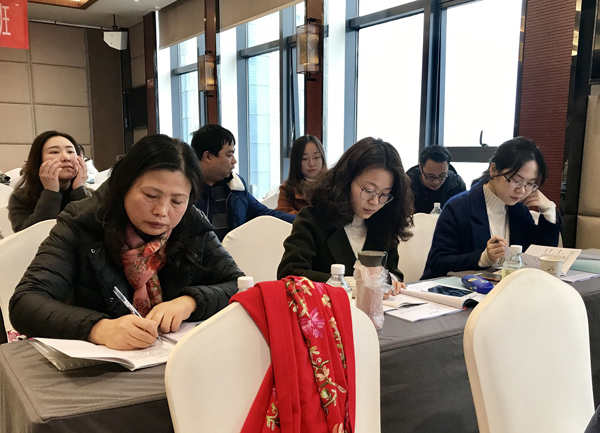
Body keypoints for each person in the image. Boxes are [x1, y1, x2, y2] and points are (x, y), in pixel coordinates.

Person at [9, 134, 244, 350]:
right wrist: (98, 328)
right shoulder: (82, 222)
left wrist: (190, 301)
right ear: (124, 187)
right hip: (100, 368)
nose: (162, 211)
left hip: (174, 359)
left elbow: (239, 285)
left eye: (177, 201)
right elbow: (25, 303)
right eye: (151, 196)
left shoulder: (191, 224)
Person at [277, 137, 414, 291]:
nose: (375, 202)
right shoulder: (312, 219)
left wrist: (391, 281)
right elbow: (289, 274)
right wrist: (347, 284)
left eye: (384, 194)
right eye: (368, 190)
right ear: (346, 180)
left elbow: (393, 272)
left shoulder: (384, 220)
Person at [422, 136, 561, 279]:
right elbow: (438, 263)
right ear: (494, 170)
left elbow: (539, 259)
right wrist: (483, 258)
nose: (522, 190)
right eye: (516, 180)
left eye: (530, 184)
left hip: (505, 289)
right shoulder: (459, 207)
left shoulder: (518, 211)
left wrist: (549, 211)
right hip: (457, 289)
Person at [191, 124, 295, 241]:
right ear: (208, 157)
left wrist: (303, 220)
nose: (234, 161)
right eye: (229, 155)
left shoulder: (235, 187)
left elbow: (264, 213)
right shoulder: (185, 192)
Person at [8, 131, 91, 232]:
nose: (66, 158)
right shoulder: (21, 198)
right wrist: (51, 192)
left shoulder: (92, 195)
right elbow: (31, 236)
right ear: (39, 160)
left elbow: (95, 231)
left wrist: (79, 191)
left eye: (70, 151)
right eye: (55, 152)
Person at [406, 145, 466, 214]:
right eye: (430, 176)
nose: (436, 182)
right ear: (420, 168)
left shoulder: (456, 185)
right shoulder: (407, 185)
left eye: (442, 176)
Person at [275, 135, 327, 215]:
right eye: (305, 159)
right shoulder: (287, 189)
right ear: (296, 162)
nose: (311, 163)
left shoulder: (334, 183)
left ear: (322, 158)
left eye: (316, 157)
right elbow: (283, 215)